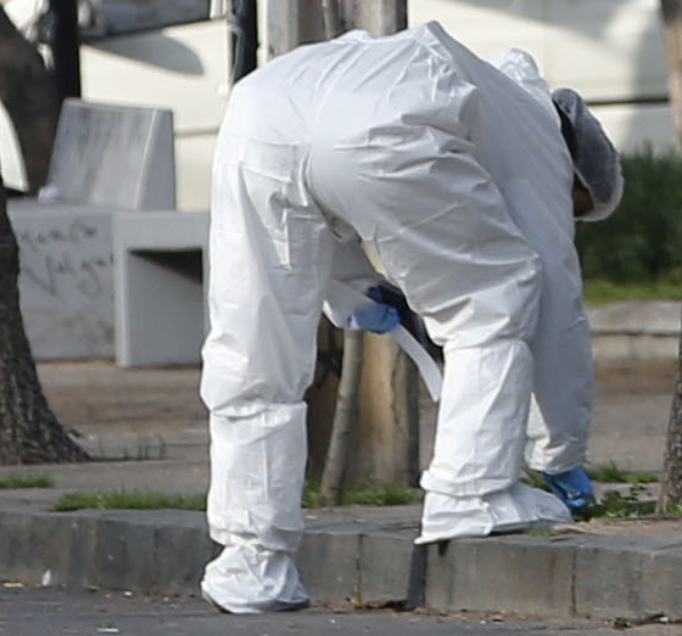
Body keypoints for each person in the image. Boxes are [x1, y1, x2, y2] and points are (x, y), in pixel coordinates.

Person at [198, 22, 623, 614]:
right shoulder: (540, 138)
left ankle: (251, 562)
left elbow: (318, 183)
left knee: (254, 353)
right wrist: (560, 454)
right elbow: (556, 310)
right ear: (578, 172)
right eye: (579, 208)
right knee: (494, 299)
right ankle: (472, 493)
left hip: (258, 115)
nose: (571, 218)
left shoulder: (471, 87)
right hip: (380, 125)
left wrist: (352, 293)